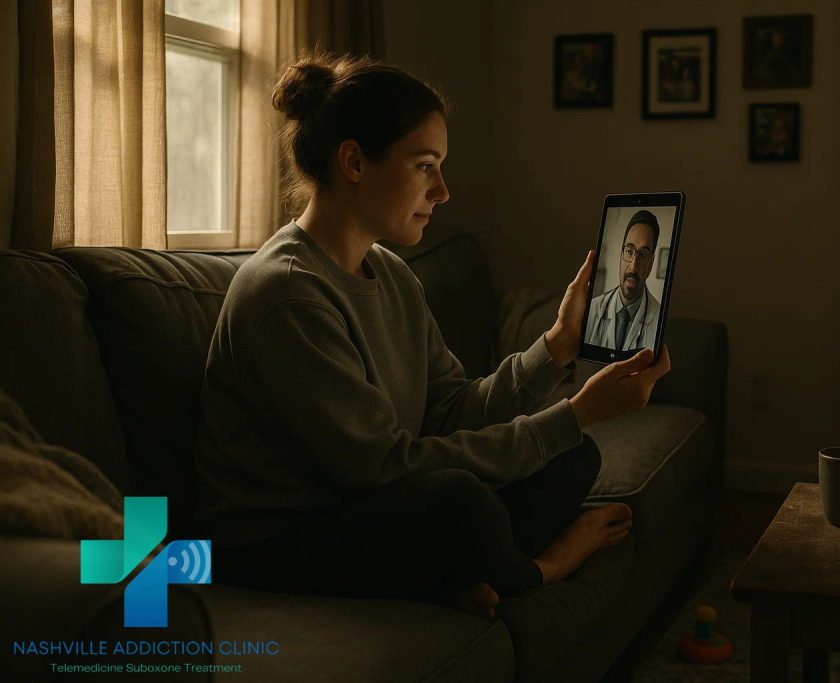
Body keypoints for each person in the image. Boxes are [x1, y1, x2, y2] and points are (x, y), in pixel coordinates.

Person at [193, 51, 671, 620]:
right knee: (460, 500)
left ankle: (458, 573)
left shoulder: (392, 273)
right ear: (354, 162)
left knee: (571, 457)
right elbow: (384, 468)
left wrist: (557, 346)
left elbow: (449, 409)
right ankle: (539, 569)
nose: (443, 191)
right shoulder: (289, 293)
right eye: (425, 166)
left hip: (369, 507)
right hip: (280, 538)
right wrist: (576, 412)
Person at [584, 210, 663, 352]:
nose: (633, 266)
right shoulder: (592, 310)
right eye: (629, 251)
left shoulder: (659, 320)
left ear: (651, 263)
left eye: (643, 254)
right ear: (621, 255)